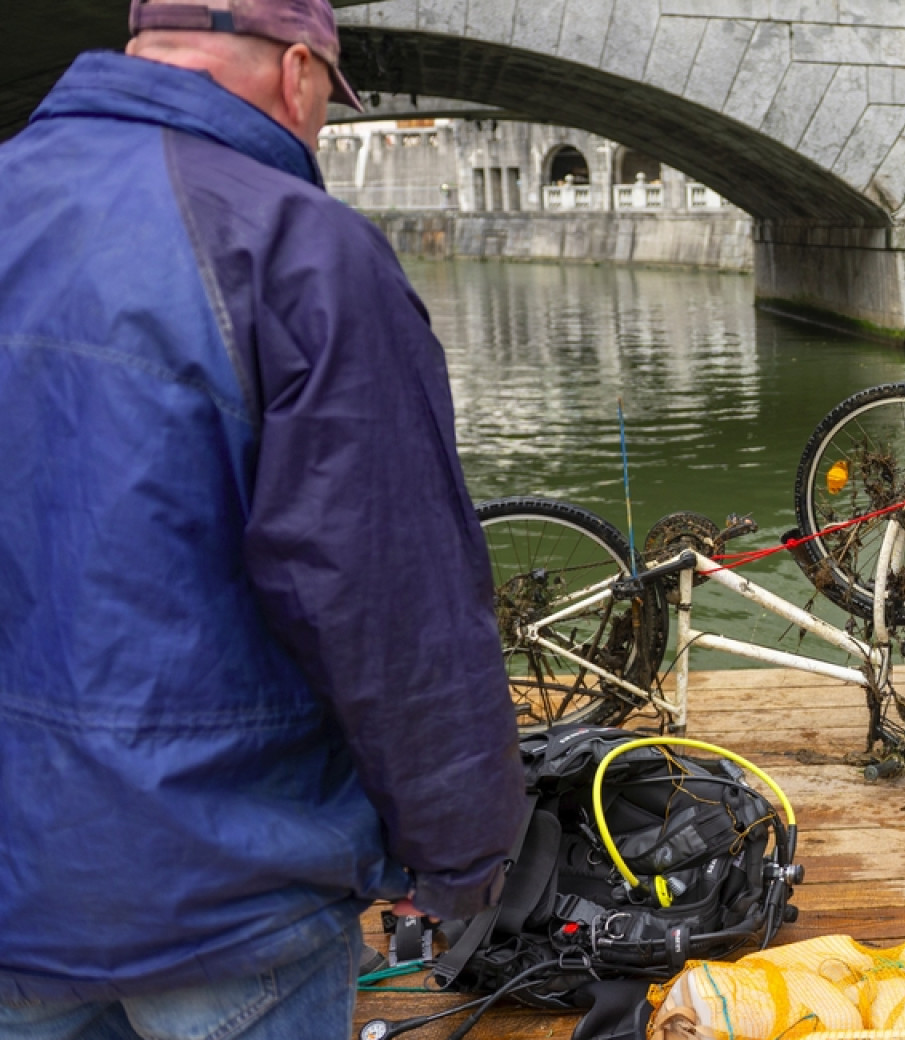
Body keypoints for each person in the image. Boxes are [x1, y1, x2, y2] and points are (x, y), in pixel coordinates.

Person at [0, 2, 526, 1036]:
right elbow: (391, 600)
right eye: (330, 93)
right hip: (229, 888)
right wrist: (459, 852)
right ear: (298, 72)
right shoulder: (299, 248)